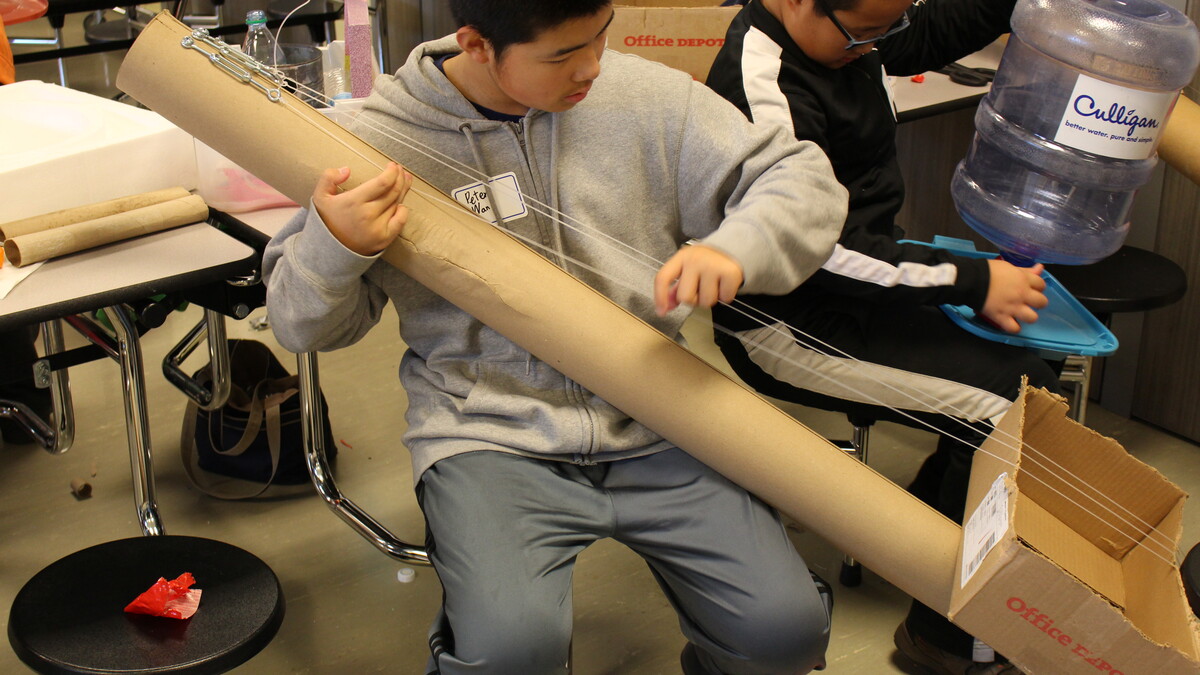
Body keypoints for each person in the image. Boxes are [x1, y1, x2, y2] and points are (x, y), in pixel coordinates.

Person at [263, 1, 850, 673]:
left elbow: (799, 178)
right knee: (513, 651)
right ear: (477, 44)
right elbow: (298, 322)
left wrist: (739, 246)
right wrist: (336, 244)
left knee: (785, 631)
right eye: (563, 55)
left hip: (656, 412)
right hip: (487, 430)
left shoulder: (644, 97)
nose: (593, 67)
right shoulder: (375, 141)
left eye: (601, 36)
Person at [704, 1, 1062, 674]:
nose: (877, 48)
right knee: (1012, 412)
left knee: (1028, 377)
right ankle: (951, 641)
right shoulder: (763, 83)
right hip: (790, 323)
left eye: (886, 28)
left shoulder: (845, 35)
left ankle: (912, 539)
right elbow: (812, 248)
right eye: (863, 32)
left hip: (865, 285)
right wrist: (970, 280)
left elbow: (927, 34)